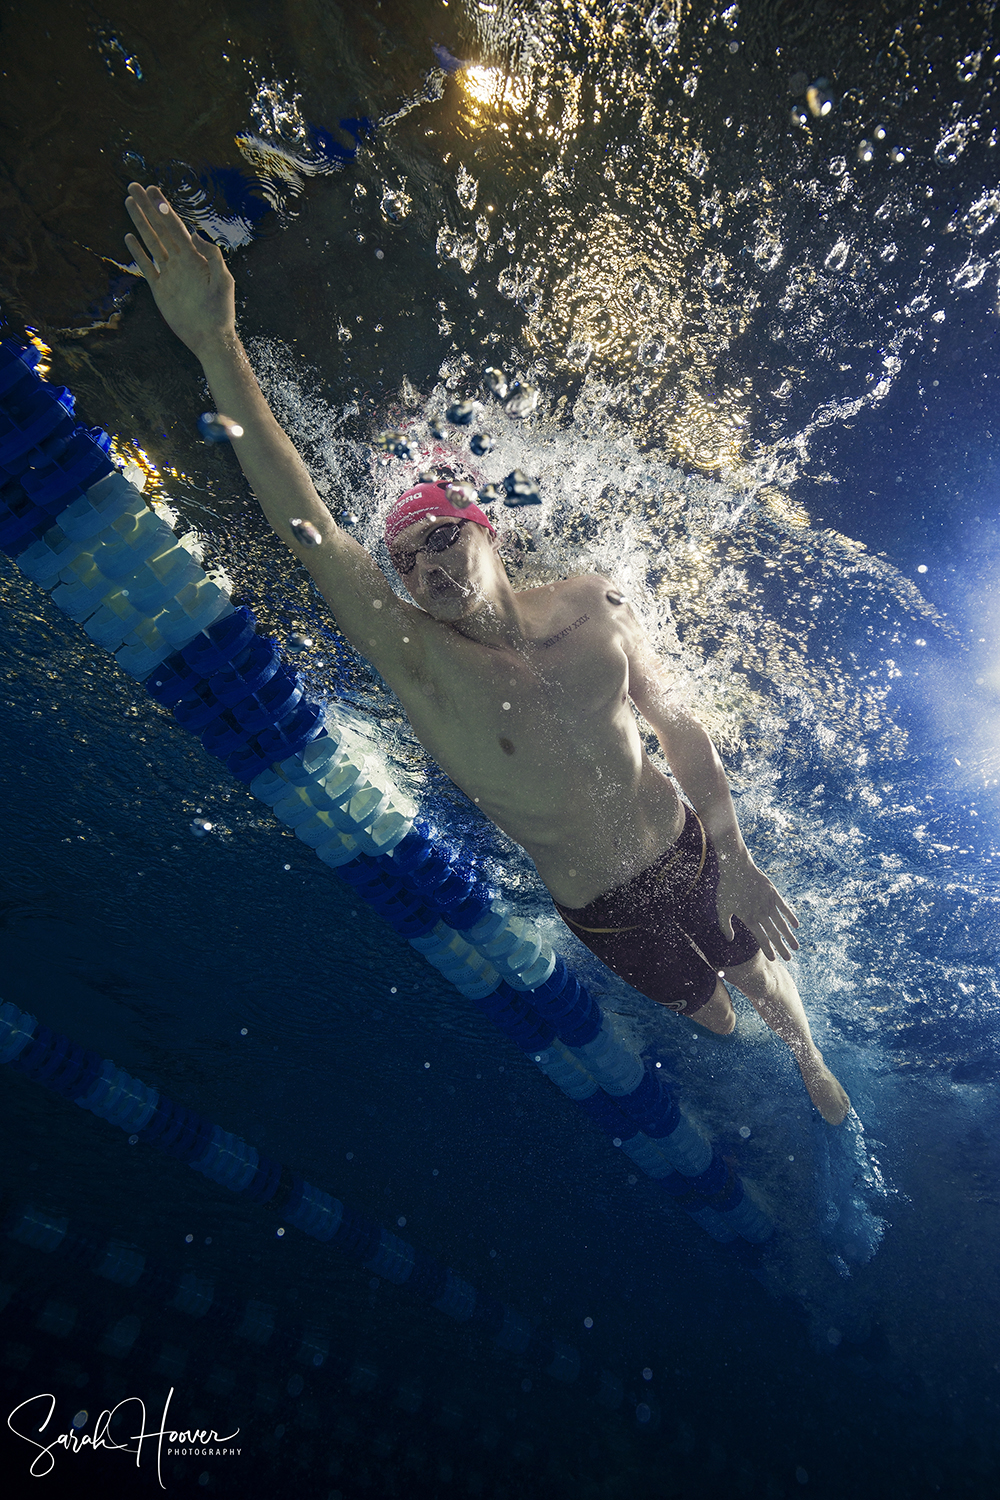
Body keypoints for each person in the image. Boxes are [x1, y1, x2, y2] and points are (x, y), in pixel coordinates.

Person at [124, 182, 850, 1125]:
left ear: (485, 530)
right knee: (713, 1017)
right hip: (605, 909)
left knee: (758, 973)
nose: (424, 568)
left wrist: (739, 853)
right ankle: (745, 1035)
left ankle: (806, 1056)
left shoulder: (592, 604)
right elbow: (302, 516)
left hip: (686, 844)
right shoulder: (422, 663)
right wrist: (215, 341)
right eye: (403, 559)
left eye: (439, 539)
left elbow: (675, 720)